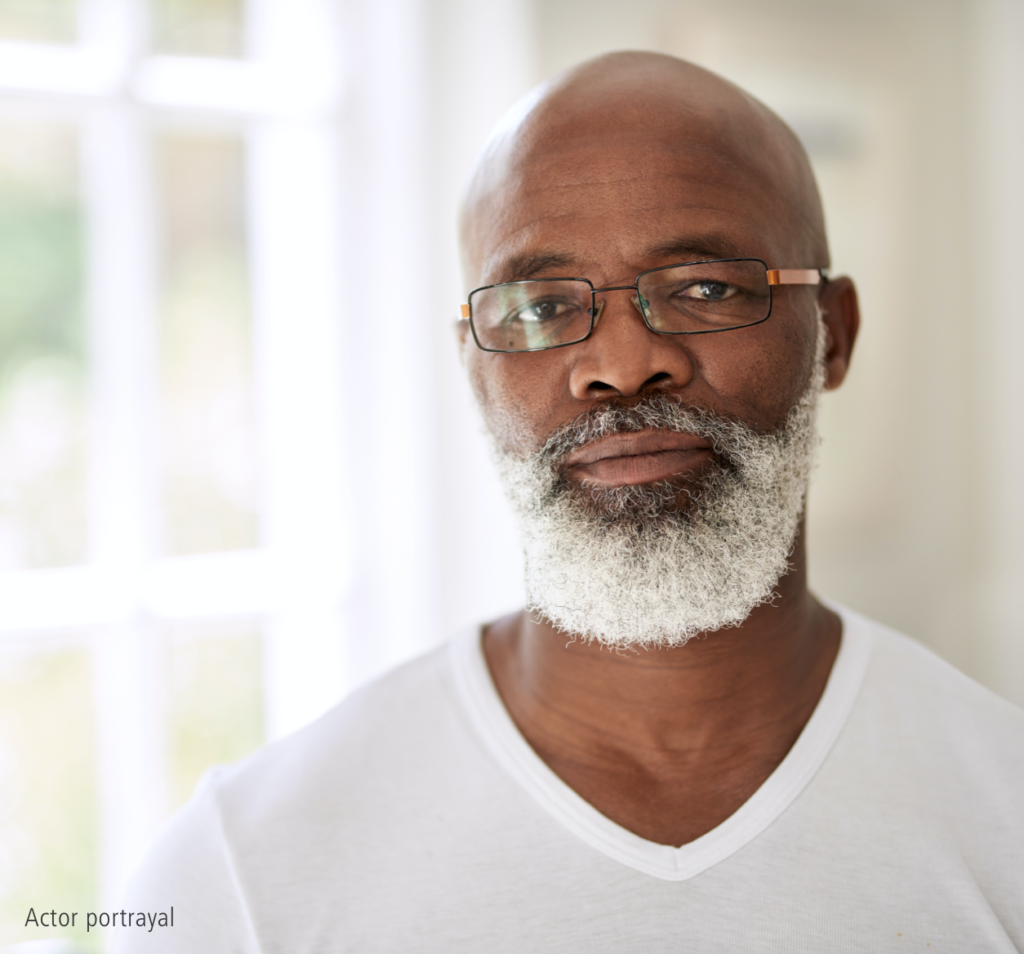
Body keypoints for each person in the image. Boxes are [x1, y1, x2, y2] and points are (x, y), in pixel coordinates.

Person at [118, 52, 1024, 952]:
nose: (624, 365)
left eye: (706, 288)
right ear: (473, 372)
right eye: (541, 309)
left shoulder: (1001, 818)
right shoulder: (239, 878)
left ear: (833, 336)